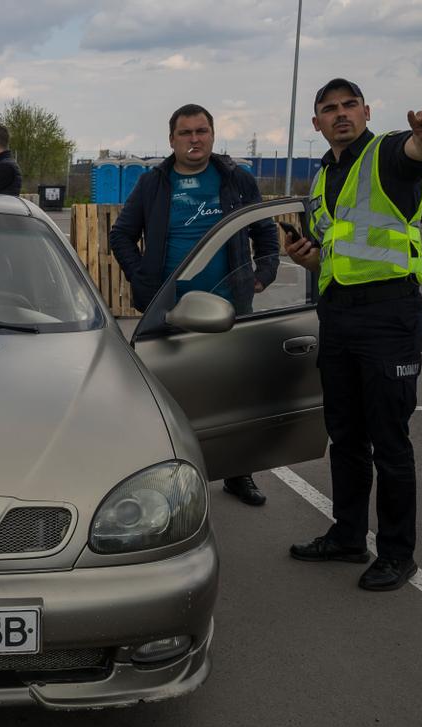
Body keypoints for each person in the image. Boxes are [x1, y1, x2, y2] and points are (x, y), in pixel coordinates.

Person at [286, 79, 422, 592]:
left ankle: (399, 553)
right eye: (329, 109)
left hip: (388, 317)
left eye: (349, 105)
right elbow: (336, 248)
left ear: (367, 110)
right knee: (346, 436)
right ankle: (349, 535)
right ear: (316, 124)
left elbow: (419, 151)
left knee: (389, 440)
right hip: (338, 316)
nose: (340, 115)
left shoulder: (388, 153)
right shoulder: (322, 177)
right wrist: (309, 256)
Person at [108, 103, 279, 507]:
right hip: (168, 310)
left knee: (234, 394)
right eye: (185, 133)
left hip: (228, 310)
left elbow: (265, 233)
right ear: (171, 140)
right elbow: (121, 235)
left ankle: (239, 474)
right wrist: (143, 280)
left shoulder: (236, 180)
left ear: (213, 135)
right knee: (166, 397)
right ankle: (166, 479)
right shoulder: (153, 183)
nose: (194, 139)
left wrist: (261, 276)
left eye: (201, 131)